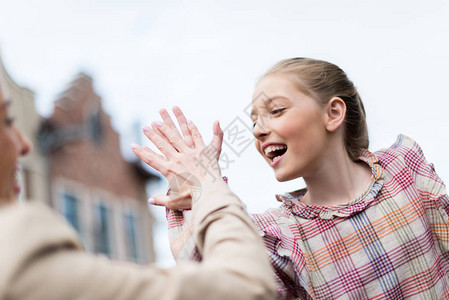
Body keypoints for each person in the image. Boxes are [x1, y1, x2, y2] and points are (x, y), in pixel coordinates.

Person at [151, 58, 449, 299]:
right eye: (254, 121)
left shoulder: (403, 166)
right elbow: (219, 282)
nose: (257, 130)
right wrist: (201, 189)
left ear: (333, 113)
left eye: (276, 110)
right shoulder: (279, 235)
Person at [0, 82, 276, 299]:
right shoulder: (18, 253)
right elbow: (244, 288)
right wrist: (207, 182)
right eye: (6, 121)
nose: (25, 144)